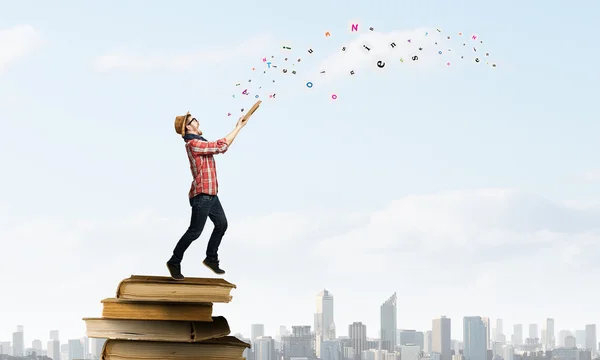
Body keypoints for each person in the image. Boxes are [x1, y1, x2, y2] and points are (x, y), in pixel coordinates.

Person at [167, 112, 248, 280]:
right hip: (202, 195)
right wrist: (238, 127)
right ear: (189, 126)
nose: (197, 120)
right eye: (194, 120)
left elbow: (220, 146)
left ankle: (211, 258)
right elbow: (221, 146)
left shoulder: (200, 142)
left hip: (211, 195)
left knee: (221, 224)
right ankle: (174, 261)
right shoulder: (193, 144)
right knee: (195, 232)